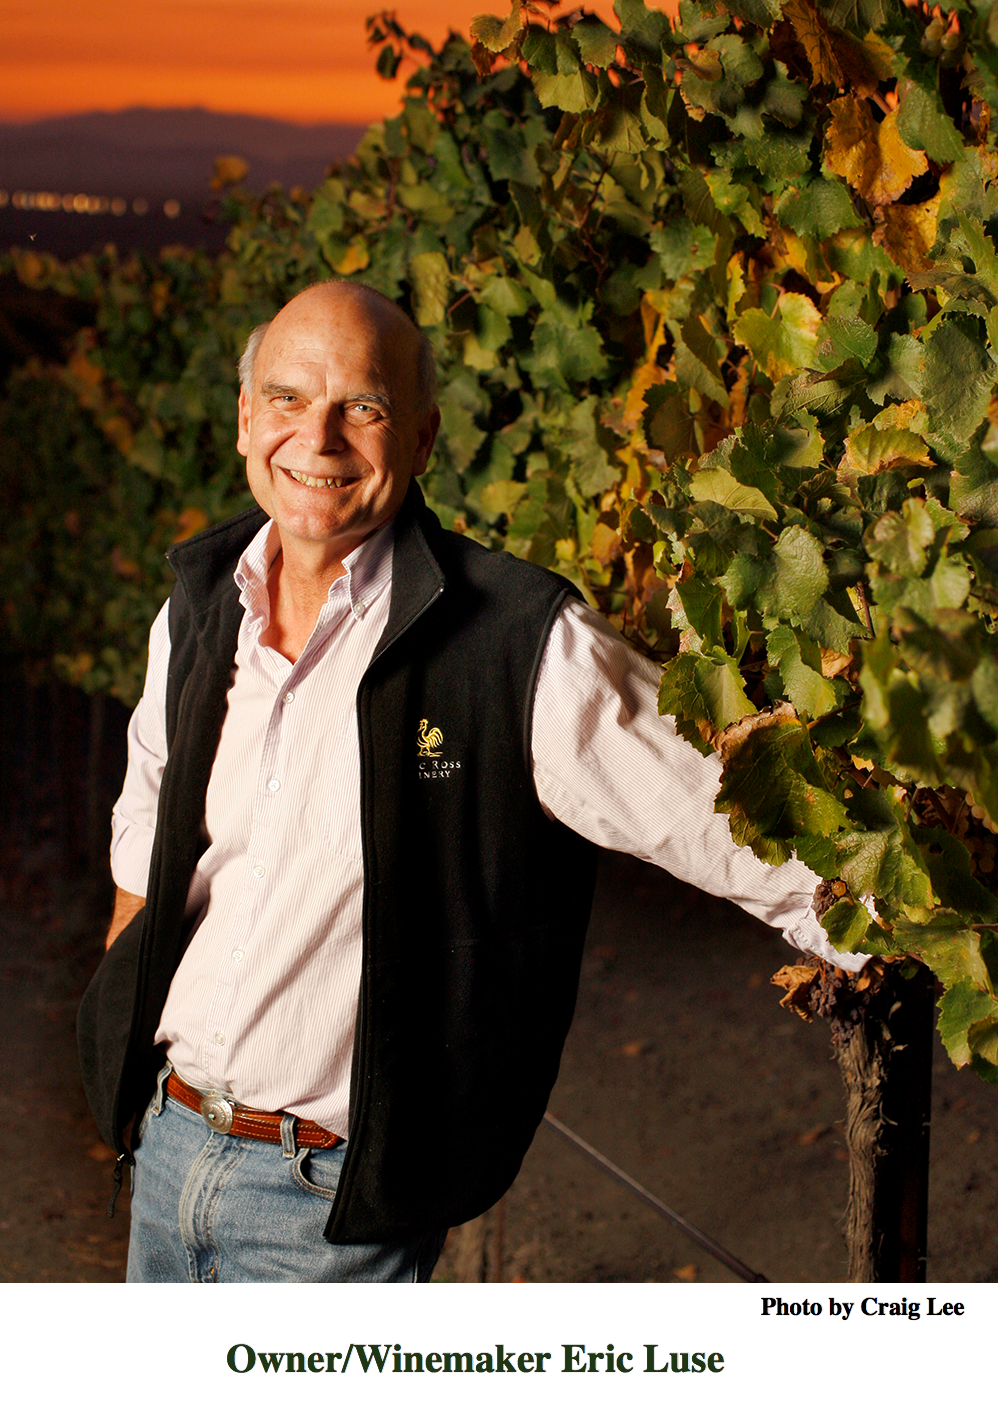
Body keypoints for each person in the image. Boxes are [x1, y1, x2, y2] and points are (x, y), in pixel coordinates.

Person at [78, 279, 862, 1284]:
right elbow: (147, 845)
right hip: (169, 1146)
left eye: (361, 406)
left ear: (422, 436)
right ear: (245, 417)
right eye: (285, 398)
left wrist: (898, 926)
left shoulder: (516, 639)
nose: (315, 438)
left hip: (328, 1211)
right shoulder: (195, 611)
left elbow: (717, 810)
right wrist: (122, 1064)